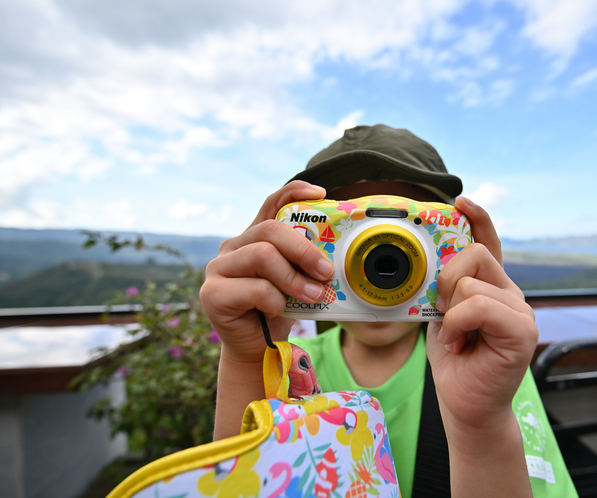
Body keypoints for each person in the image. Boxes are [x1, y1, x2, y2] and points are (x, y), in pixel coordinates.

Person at [200, 124, 577, 497]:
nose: (378, 261)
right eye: (347, 229)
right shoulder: (285, 369)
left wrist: (482, 428)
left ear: (455, 246)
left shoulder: (481, 364)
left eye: (408, 232)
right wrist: (248, 359)